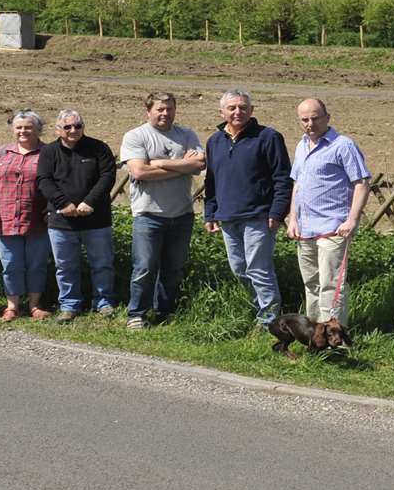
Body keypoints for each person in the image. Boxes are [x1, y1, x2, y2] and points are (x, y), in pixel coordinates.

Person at [203, 89, 291, 329]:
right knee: (239, 268)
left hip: (259, 215)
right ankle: (256, 309)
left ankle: (269, 320)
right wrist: (210, 212)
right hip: (227, 217)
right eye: (231, 108)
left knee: (259, 269)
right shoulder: (214, 141)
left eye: (242, 107)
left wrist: (277, 212)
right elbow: (211, 180)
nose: (237, 112)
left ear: (251, 111)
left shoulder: (268, 137)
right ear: (222, 112)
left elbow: (282, 178)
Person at [120, 92, 205, 329]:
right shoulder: (136, 136)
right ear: (148, 111)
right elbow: (139, 172)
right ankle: (136, 314)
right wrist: (182, 167)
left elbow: (199, 164)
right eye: (160, 109)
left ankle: (164, 312)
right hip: (149, 215)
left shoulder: (186, 134)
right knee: (145, 268)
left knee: (174, 269)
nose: (165, 113)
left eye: (169, 109)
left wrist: (159, 163)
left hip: (182, 214)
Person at [287, 98, 370, 333]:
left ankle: (334, 338)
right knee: (311, 284)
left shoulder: (343, 145)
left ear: (327, 118)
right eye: (305, 120)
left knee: (331, 286)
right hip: (305, 229)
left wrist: (352, 219)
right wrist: (293, 219)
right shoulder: (301, 146)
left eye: (315, 118)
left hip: (333, 228)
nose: (310, 124)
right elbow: (297, 185)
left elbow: (362, 183)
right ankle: (315, 335)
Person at [40, 109, 119, 323]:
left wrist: (89, 202)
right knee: (65, 266)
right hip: (61, 221)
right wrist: (63, 203)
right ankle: (69, 304)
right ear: (58, 129)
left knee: (102, 263)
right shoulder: (49, 152)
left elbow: (107, 177)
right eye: (67, 127)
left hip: (96, 220)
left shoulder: (98, 148)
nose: (73, 130)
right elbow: (44, 180)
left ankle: (103, 302)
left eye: (77, 126)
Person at [0, 110, 51, 323]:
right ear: (12, 130)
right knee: (11, 264)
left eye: (28, 127)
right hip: (8, 219)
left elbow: (57, 184)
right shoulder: (2, 153)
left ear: (38, 129)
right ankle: (12, 306)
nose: (23, 131)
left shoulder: (48, 153)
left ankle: (35, 305)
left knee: (37, 264)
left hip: (38, 220)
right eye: (19, 127)